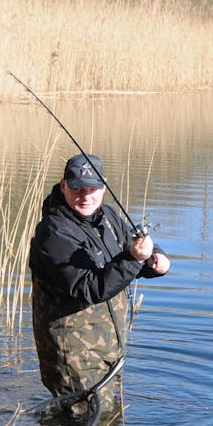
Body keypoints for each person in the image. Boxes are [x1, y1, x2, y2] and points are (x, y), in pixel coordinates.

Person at [28, 152, 170, 412]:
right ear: (63, 186)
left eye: (92, 188)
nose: (85, 196)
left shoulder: (108, 217)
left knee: (106, 422)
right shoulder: (53, 233)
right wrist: (133, 259)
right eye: (76, 188)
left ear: (104, 185)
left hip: (108, 350)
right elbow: (90, 287)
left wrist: (154, 260)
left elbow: (130, 250)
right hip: (75, 357)